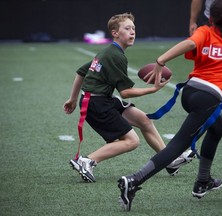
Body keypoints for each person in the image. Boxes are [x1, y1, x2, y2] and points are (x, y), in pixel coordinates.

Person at [117, 0, 222, 211]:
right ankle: (134, 180)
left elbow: (191, 44)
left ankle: (203, 181)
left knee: (217, 128)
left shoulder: (205, 31)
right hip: (208, 100)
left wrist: (161, 60)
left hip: (190, 92)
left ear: (210, 19)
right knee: (178, 146)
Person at [63, 13, 195, 183]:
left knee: (144, 120)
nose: (132, 32)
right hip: (96, 103)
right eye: (127, 28)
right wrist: (153, 89)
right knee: (132, 141)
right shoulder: (115, 56)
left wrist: (73, 99)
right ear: (115, 33)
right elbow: (126, 92)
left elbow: (81, 72)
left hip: (100, 99)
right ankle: (86, 160)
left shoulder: (109, 51)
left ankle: (169, 161)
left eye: (133, 28)